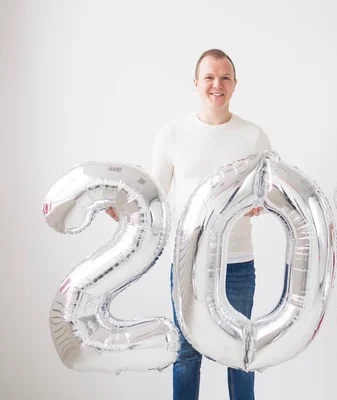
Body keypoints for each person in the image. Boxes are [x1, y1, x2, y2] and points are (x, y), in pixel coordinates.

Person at [107, 48, 270, 400]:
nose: (217, 84)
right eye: (209, 77)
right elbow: (154, 194)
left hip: (238, 264)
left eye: (225, 77)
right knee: (186, 353)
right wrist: (122, 209)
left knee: (241, 354)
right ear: (196, 83)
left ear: (235, 85)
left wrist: (260, 204)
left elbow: (267, 193)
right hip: (187, 265)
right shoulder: (172, 133)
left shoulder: (253, 135)